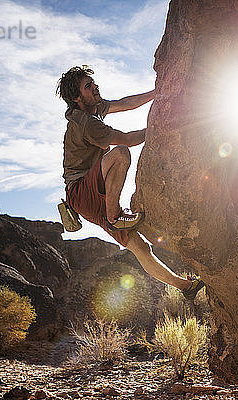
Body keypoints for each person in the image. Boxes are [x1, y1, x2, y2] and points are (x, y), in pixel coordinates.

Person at [56, 65, 204, 300]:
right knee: (120, 153)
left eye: (92, 83)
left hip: (92, 194)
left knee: (141, 247)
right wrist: (158, 128)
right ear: (77, 98)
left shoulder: (95, 107)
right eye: (88, 86)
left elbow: (126, 103)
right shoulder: (86, 122)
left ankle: (186, 288)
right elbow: (125, 139)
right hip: (81, 191)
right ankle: (115, 217)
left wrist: (157, 92)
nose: (95, 87)